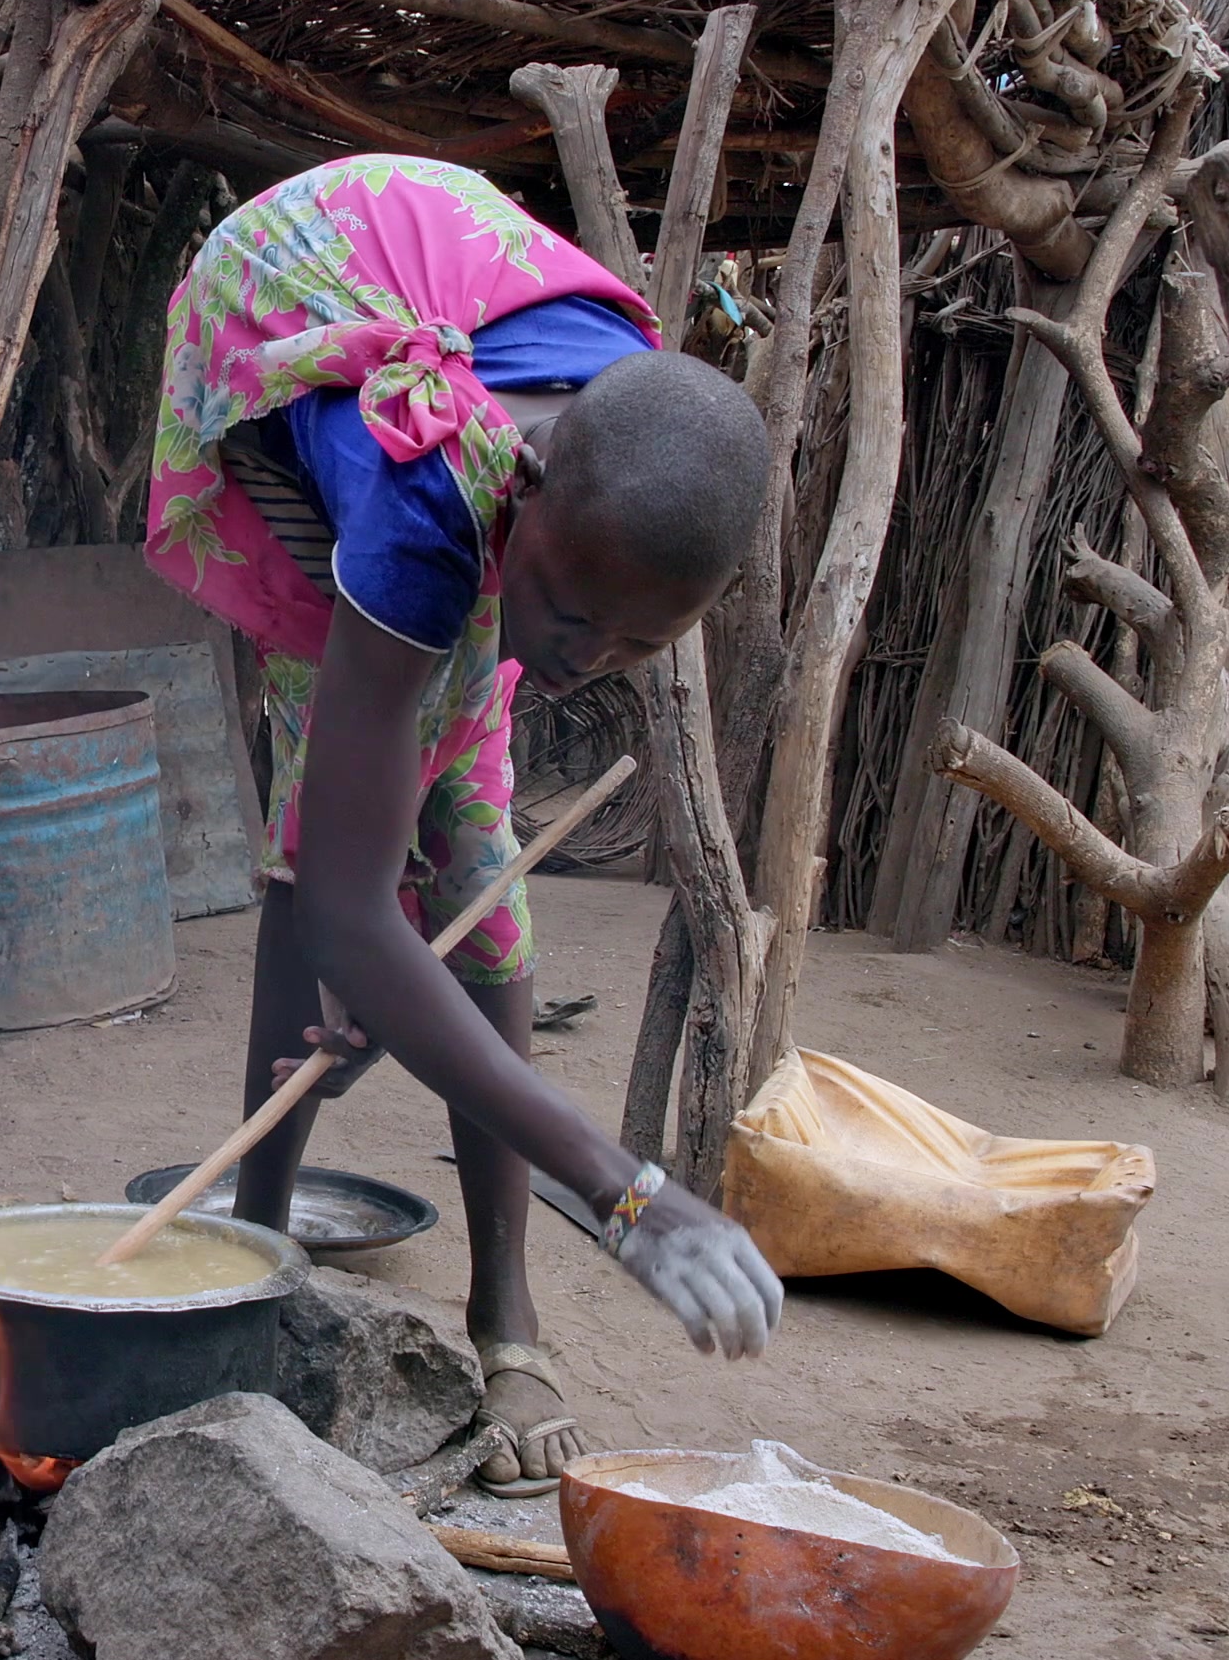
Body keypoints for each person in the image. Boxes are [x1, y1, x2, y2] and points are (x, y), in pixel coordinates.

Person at [143, 153, 784, 1498]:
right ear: (529, 488)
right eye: (568, 612)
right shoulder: (424, 508)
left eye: (637, 641)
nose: (582, 657)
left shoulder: (616, 489)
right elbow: (347, 907)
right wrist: (623, 1187)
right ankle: (260, 1244)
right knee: (329, 840)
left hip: (449, 309)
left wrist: (398, 961)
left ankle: (509, 1320)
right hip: (280, 306)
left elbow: (550, 626)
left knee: (480, 862)